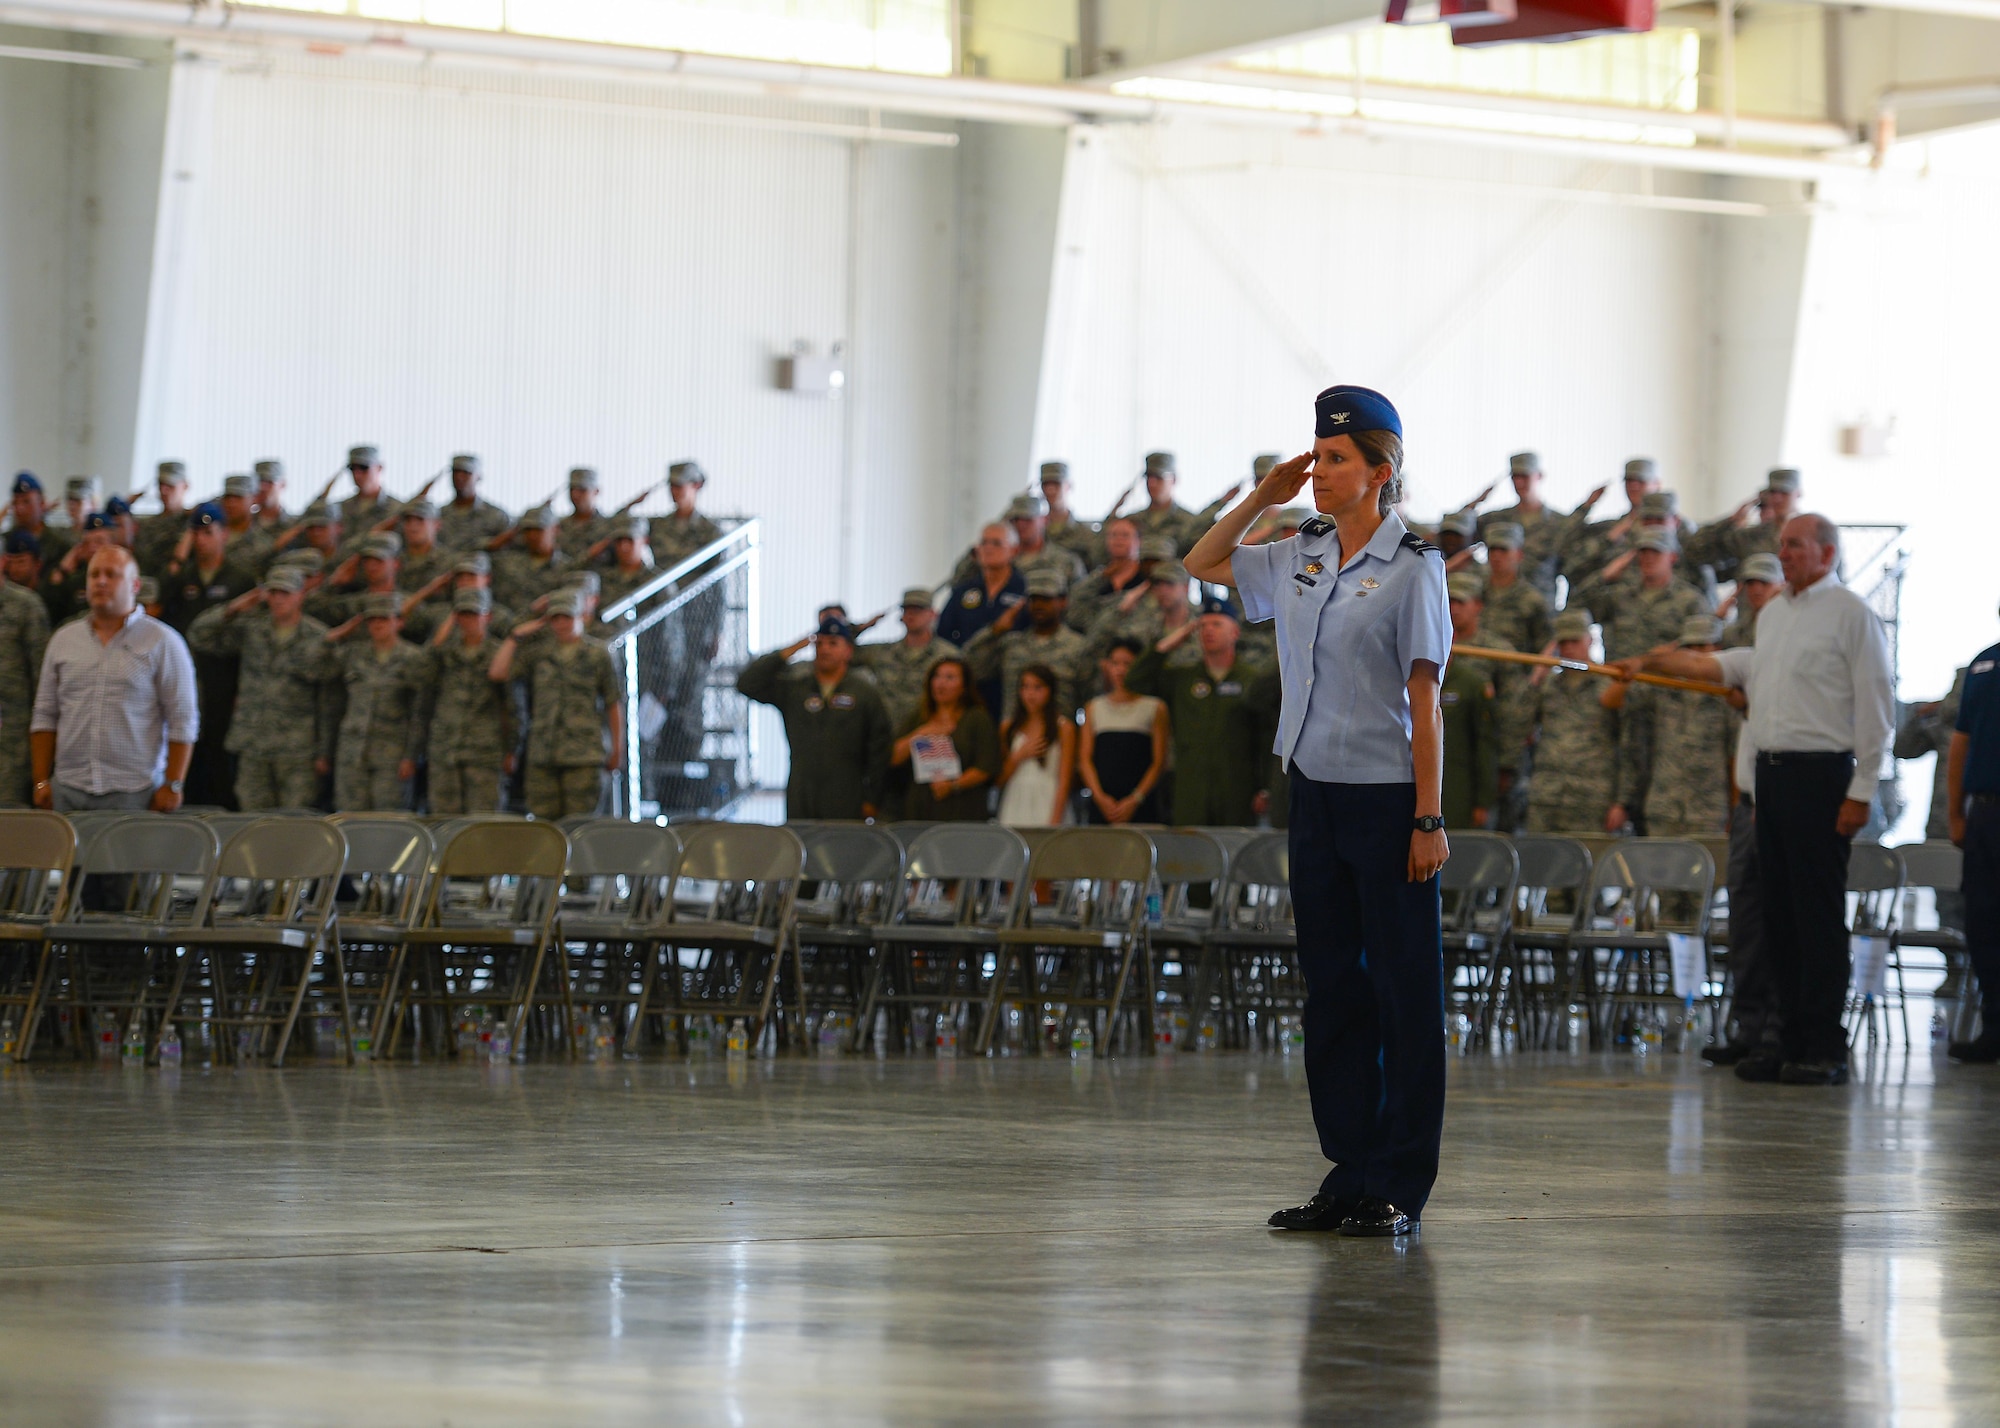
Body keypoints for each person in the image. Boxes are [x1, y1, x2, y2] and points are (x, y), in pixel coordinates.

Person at [1186, 384, 1449, 1239]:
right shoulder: (1300, 549)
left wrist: (1429, 818)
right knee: (1333, 986)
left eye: (1336, 459)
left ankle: (1398, 1183)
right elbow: (1203, 563)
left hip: (1388, 801)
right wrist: (1264, 494)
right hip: (1315, 793)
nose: (1320, 470)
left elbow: (1425, 699)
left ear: (1381, 471)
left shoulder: (1415, 566)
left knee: (1403, 990)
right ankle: (1347, 1169)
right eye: (1317, 454)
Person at [1628, 514, 1894, 1086]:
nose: (1785, 553)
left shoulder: (1852, 613)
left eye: (1794, 545)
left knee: (1816, 918)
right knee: (1775, 917)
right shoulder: (1772, 615)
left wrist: (1862, 790)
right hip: (1769, 778)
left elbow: (1877, 707)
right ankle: (1783, 1039)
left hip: (1822, 776)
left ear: (1826, 551)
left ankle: (1823, 1045)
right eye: (1782, 545)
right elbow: (1746, 682)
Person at [29, 546, 197, 813]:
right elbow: (45, 714)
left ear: (135, 585)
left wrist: (173, 784)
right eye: (94, 575)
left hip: (134, 792)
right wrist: (40, 781)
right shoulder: (64, 640)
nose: (101, 581)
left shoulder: (163, 642)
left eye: (112, 574)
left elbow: (183, 719)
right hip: (68, 788)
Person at [186, 565, 340, 811]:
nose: (278, 599)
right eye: (273, 592)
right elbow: (199, 635)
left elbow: (327, 699)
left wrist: (324, 751)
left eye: (285, 593)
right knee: (254, 819)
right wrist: (234, 607)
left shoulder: (318, 636)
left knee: (296, 822)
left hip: (298, 747)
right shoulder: (253, 629)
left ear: (301, 595)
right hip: (253, 742)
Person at [1128, 592, 1263, 827]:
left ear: (1235, 633)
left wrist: (1265, 787)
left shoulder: (1251, 680)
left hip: (1237, 790)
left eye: (1217, 624)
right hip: (1192, 791)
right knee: (1193, 858)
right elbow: (1135, 681)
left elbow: (1265, 738)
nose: (1208, 630)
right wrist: (1167, 644)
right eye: (1202, 625)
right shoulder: (1184, 678)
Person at [738, 616, 891, 820]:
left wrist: (873, 799)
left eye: (833, 643)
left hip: (847, 792)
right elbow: (747, 684)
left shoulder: (864, 693)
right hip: (802, 792)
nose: (824, 649)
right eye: (819, 643)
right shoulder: (796, 689)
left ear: (848, 651)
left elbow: (880, 749)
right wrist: (791, 650)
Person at [488, 590, 622, 819]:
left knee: (581, 827)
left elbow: (613, 703)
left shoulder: (598, 654)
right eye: (555, 618)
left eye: (567, 617)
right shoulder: (539, 654)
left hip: (584, 754)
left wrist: (618, 748)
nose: (561, 624)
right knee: (545, 828)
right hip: (544, 754)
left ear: (581, 616)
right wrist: (516, 636)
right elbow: (498, 672)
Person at [1608, 615, 1735, 837]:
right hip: (1663, 806)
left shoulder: (1728, 696)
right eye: (1689, 647)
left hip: (1708, 810)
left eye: (1703, 646)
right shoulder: (1662, 689)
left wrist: (1734, 814)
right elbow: (1611, 700)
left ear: (1718, 648)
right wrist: (1654, 660)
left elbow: (1733, 757)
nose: (1695, 654)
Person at [1946, 629, 2000, 1062]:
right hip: (1985, 811)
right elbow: (1960, 742)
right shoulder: (1982, 665)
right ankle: (1995, 1025)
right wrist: (1955, 813)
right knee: (1981, 921)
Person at [1519, 611, 1623, 832]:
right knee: (1541, 862)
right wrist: (1538, 672)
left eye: (1574, 641)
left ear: (1590, 640)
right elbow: (1518, 723)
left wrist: (1621, 802)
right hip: (1547, 795)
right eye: (1562, 642)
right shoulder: (1548, 686)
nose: (1568, 648)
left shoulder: (1609, 685)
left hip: (1592, 797)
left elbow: (1627, 745)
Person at [326, 592, 428, 812]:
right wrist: (340, 633)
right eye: (372, 619)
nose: (377, 624)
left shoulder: (414, 658)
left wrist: (411, 756)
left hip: (392, 754)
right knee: (349, 820)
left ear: (399, 621)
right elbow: (316, 663)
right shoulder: (353, 654)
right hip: (353, 752)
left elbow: (420, 712)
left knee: (389, 821)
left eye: (384, 618)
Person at [419, 588, 516, 814]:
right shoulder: (444, 653)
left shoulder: (499, 654)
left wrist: (512, 748)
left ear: (488, 616)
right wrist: (440, 637)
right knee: (443, 821)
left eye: (474, 614)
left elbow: (513, 706)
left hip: (484, 750)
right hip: (445, 749)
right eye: (462, 615)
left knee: (483, 823)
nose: (468, 620)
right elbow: (420, 677)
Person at [963, 567, 1093, 723]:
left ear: (1063, 601)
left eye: (1046, 599)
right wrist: (994, 631)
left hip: (1062, 738)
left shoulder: (1078, 647)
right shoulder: (1011, 644)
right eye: (1033, 599)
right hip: (1014, 737)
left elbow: (1090, 699)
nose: (1038, 605)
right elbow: (969, 668)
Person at [1569, 527, 1709, 663]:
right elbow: (1574, 608)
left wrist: (1673, 650)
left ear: (1672, 557)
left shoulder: (1691, 600)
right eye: (1643, 552)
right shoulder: (1620, 596)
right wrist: (1604, 576)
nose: (1648, 558)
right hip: (1620, 683)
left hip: (1666, 683)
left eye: (1656, 552)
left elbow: (1702, 650)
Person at [889, 656, 998, 822]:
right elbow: (893, 757)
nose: (941, 683)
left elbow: (986, 766)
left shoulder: (977, 718)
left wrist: (953, 785)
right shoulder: (919, 716)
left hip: (963, 806)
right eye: (937, 676)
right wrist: (920, 733)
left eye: (950, 678)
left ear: (964, 687)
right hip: (921, 805)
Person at [1077, 639, 1167, 825]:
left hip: (1141, 802)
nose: (1120, 670)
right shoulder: (1094, 707)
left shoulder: (1154, 707)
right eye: (1115, 663)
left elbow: (1159, 762)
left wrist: (1135, 799)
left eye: (1127, 664)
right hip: (1103, 803)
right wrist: (1100, 797)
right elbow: (1085, 759)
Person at [1440, 575, 1503, 830]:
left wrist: (1483, 802)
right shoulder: (1410, 679)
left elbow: (1485, 746)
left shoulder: (1471, 684)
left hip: (1458, 788)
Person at [855, 588, 962, 733]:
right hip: (885, 734)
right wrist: (860, 628)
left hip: (928, 734)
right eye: (907, 610)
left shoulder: (948, 655)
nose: (911, 615)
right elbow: (840, 651)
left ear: (933, 614)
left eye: (918, 610)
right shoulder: (882, 653)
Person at [1684, 468, 1800, 586]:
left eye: (1784, 492)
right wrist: (1730, 521)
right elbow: (1695, 551)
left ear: (1798, 494)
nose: (1777, 498)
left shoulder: (1810, 536)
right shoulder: (1751, 537)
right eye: (1773, 492)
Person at [0, 550, 50, 805]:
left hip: (12, 746)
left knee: (9, 827)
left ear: (2, 562)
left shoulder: (26, 606)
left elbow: (44, 682)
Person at [996, 664, 1074, 826]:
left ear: (1050, 690)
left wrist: (1055, 819)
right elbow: (999, 779)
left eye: (1037, 687)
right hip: (1015, 799)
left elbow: (1065, 780)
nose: (1030, 694)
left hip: (1049, 798)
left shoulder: (1064, 727)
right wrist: (1019, 756)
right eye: (1025, 687)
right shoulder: (1008, 728)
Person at [937, 522, 1026, 650]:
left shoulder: (1024, 589)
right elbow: (943, 633)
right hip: (968, 663)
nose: (988, 549)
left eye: (996, 543)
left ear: (1014, 550)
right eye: (984, 542)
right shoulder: (964, 590)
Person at [1065, 516, 1145, 634]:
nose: (1118, 540)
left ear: (1138, 541)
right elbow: (1075, 614)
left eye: (1125, 535)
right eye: (1113, 535)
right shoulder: (1097, 579)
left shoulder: (1145, 578)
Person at [1129, 451, 1205, 557]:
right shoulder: (1131, 521)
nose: (1151, 484)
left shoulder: (1190, 522)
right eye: (1149, 477)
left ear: (1173, 480)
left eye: (1159, 478)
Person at [438, 453, 511, 551]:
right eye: (455, 472)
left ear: (478, 477)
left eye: (466, 473)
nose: (459, 477)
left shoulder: (496, 516)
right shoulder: (438, 516)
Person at [1038, 462, 1103, 572]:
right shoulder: (1035, 531)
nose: (1050, 490)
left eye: (1056, 484)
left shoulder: (1085, 534)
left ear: (1068, 486)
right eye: (1045, 485)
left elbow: (1096, 569)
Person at [134, 461, 191, 574]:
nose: (164, 490)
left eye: (171, 485)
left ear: (185, 486)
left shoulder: (191, 523)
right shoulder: (146, 524)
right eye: (161, 484)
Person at [1720, 551, 1783, 648]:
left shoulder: (1789, 624)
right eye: (1750, 583)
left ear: (1782, 585)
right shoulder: (1742, 629)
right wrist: (1718, 617)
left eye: (1764, 582)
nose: (1756, 590)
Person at [8, 474, 72, 571]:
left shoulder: (59, 544)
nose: (19, 508)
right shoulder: (5, 541)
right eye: (15, 503)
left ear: (42, 503)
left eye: (26, 502)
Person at [337, 445, 395, 534]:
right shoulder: (339, 509)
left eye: (363, 468)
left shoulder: (396, 510)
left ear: (379, 468)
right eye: (353, 469)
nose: (357, 475)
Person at [558, 467, 612, 562]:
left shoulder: (609, 527)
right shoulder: (558, 526)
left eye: (582, 490)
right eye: (572, 489)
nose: (575, 495)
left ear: (596, 491)